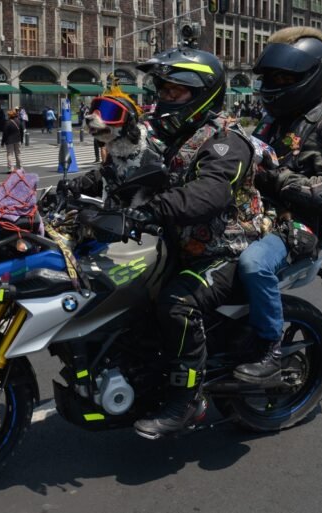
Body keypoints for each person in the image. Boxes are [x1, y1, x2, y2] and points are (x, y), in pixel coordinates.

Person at [123, 47, 263, 439]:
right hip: (178, 244)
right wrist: (72, 191)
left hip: (227, 248)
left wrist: (151, 211)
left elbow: (210, 194)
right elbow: (127, 170)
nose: (165, 99)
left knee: (177, 303)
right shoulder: (170, 135)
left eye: (175, 93)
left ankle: (186, 402)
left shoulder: (225, 141)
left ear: (203, 94)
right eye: (163, 90)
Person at [232, 27, 322, 387]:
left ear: (310, 77)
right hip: (251, 215)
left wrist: (278, 179)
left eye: (284, 77)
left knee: (253, 265)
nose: (275, 84)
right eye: (271, 76)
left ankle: (270, 350)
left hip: (295, 227)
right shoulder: (271, 120)